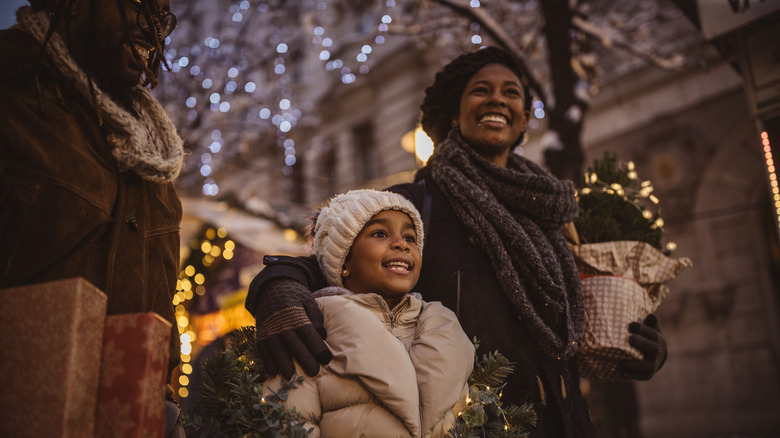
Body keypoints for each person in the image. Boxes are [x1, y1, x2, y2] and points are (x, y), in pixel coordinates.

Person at [245, 47, 667, 437]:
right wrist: (277, 289)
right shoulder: (414, 208)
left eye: (511, 93)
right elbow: (328, 253)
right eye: (481, 90)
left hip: (566, 422)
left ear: (522, 119)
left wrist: (644, 344)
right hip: (473, 427)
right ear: (453, 114)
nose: (497, 99)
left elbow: (578, 317)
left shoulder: (551, 216)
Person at [0, 0, 185, 434]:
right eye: (138, 4)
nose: (151, 27)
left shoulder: (150, 153)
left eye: (161, 15)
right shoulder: (14, 97)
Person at [261, 189, 474, 437]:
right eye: (380, 233)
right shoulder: (315, 328)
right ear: (344, 264)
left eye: (410, 237)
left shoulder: (444, 328)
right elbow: (291, 423)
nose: (401, 244)